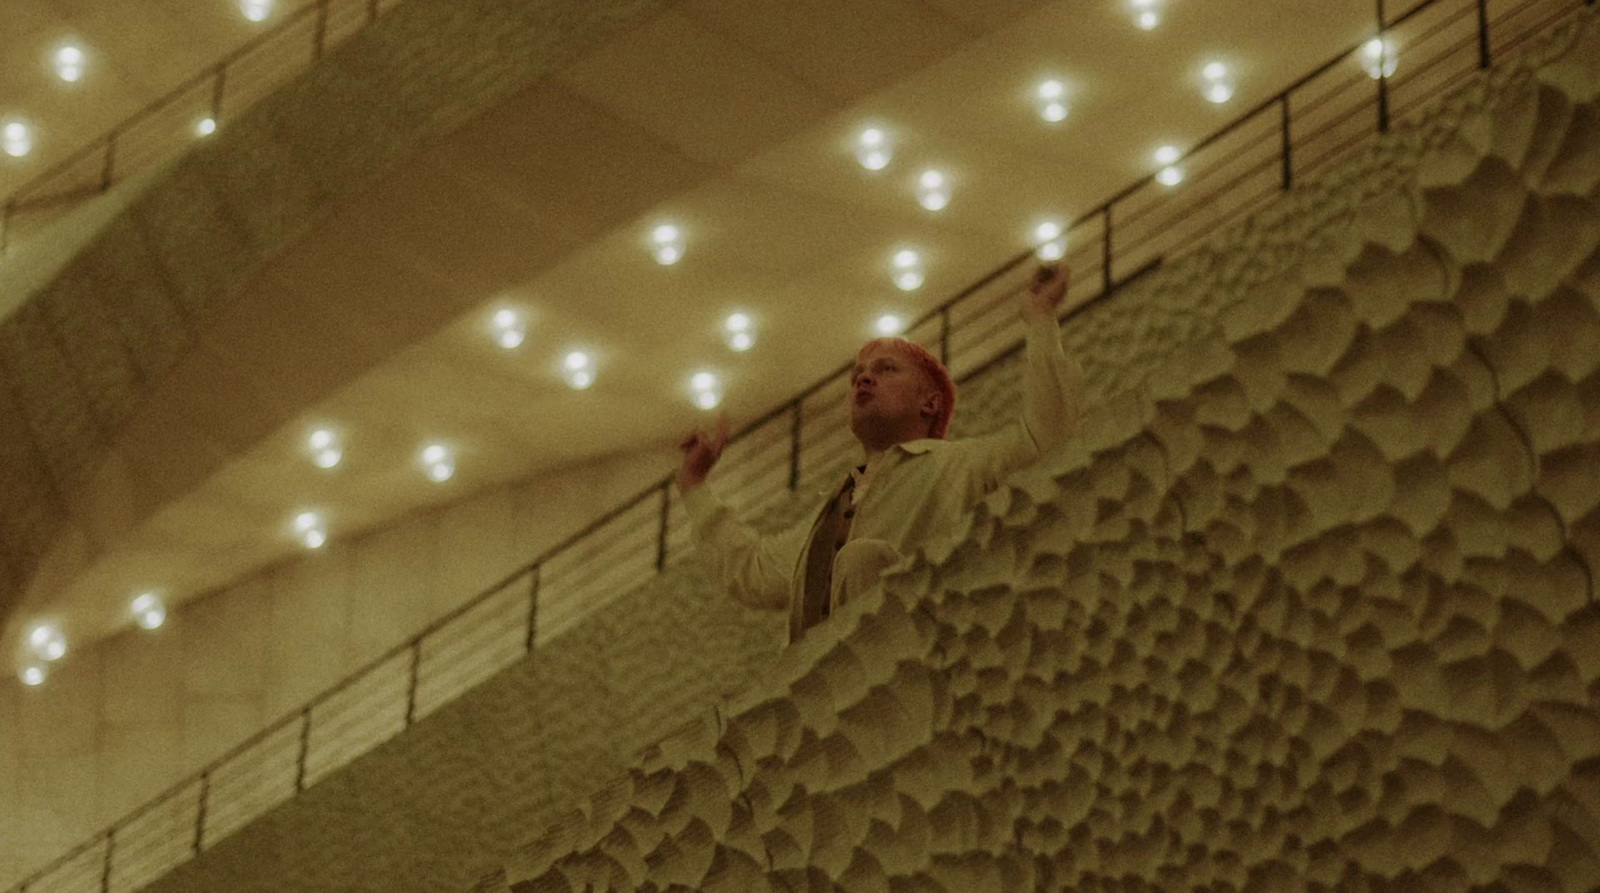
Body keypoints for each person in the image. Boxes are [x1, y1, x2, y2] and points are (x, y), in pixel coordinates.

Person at [677, 261, 1084, 642]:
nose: (864, 379)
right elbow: (755, 572)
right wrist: (694, 486)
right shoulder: (832, 510)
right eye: (858, 375)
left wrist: (1039, 317)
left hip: (914, 678)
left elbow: (1045, 439)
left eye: (886, 369)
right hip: (820, 707)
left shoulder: (958, 466)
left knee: (862, 559)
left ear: (930, 403)